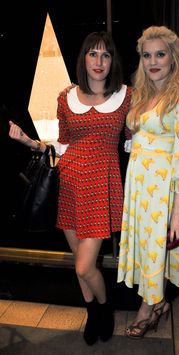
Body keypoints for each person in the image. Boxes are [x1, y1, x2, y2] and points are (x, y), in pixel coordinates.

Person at [9, 31, 132, 346]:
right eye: (93, 53)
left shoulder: (126, 97)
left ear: (112, 60)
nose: (99, 61)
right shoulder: (66, 97)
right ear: (84, 59)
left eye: (105, 54)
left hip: (101, 187)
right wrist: (28, 141)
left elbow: (134, 140)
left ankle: (104, 311)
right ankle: (93, 314)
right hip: (69, 185)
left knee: (84, 264)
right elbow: (61, 146)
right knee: (81, 265)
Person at [117, 25, 179, 338]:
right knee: (146, 249)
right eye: (147, 55)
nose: (153, 61)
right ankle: (160, 302)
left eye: (160, 54)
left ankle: (147, 308)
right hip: (138, 187)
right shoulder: (142, 95)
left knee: (155, 248)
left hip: (162, 191)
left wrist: (178, 209)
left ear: (173, 58)